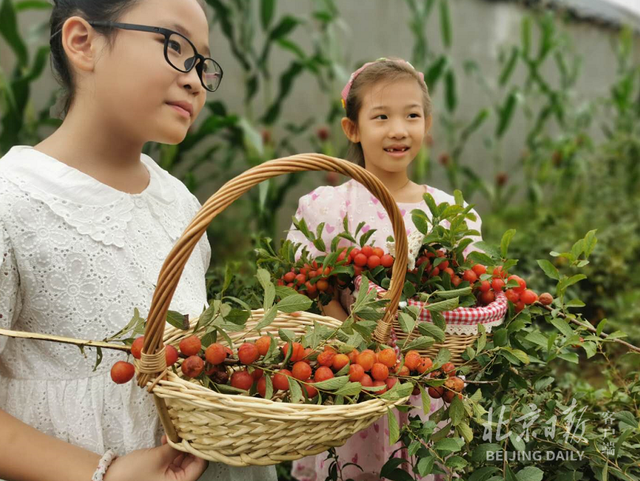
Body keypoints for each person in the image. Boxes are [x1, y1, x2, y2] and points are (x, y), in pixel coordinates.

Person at [0, 1, 276, 480]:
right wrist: (106, 474)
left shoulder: (181, 205)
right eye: (174, 47)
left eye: (202, 64)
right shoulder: (14, 201)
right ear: (82, 43)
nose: (194, 80)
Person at [287, 58, 482, 481]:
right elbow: (311, 286)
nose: (399, 129)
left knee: (425, 459)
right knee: (353, 466)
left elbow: (469, 291)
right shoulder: (328, 207)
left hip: (424, 378)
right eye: (381, 116)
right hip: (355, 379)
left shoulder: (451, 214)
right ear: (352, 129)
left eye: (412, 115)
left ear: (427, 123)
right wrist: (354, 340)